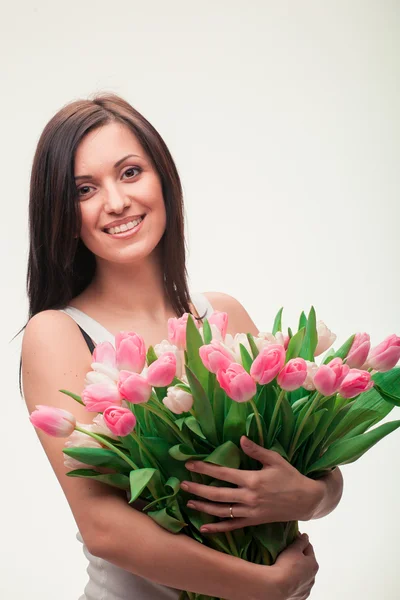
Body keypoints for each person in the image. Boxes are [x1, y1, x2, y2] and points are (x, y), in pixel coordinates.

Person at [20, 92, 340, 599]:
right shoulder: (58, 333)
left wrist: (315, 496)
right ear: (61, 213)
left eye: (130, 172)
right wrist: (262, 585)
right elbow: (104, 527)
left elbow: (312, 466)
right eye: (84, 189)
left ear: (163, 180)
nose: (117, 201)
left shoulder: (225, 315)